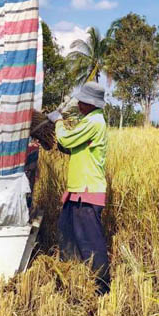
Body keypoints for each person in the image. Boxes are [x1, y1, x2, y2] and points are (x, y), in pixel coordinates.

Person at [47, 82, 110, 294]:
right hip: (76, 192)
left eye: (83, 101)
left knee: (90, 243)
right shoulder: (87, 121)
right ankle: (71, 280)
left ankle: (101, 289)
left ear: (92, 103)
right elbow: (68, 146)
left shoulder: (95, 121)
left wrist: (57, 121)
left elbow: (66, 137)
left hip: (88, 192)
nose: (80, 104)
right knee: (67, 236)